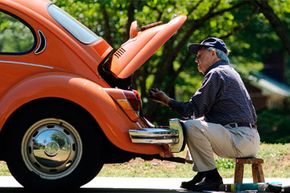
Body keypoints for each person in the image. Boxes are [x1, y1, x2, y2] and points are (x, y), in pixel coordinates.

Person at [149, 37, 260, 191]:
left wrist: (166, 100)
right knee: (197, 123)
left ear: (213, 53)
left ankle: (212, 177)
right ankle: (203, 174)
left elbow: (192, 110)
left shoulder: (217, 73)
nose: (196, 61)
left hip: (239, 137)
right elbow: (200, 114)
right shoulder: (229, 72)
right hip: (248, 137)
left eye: (199, 56)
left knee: (192, 126)